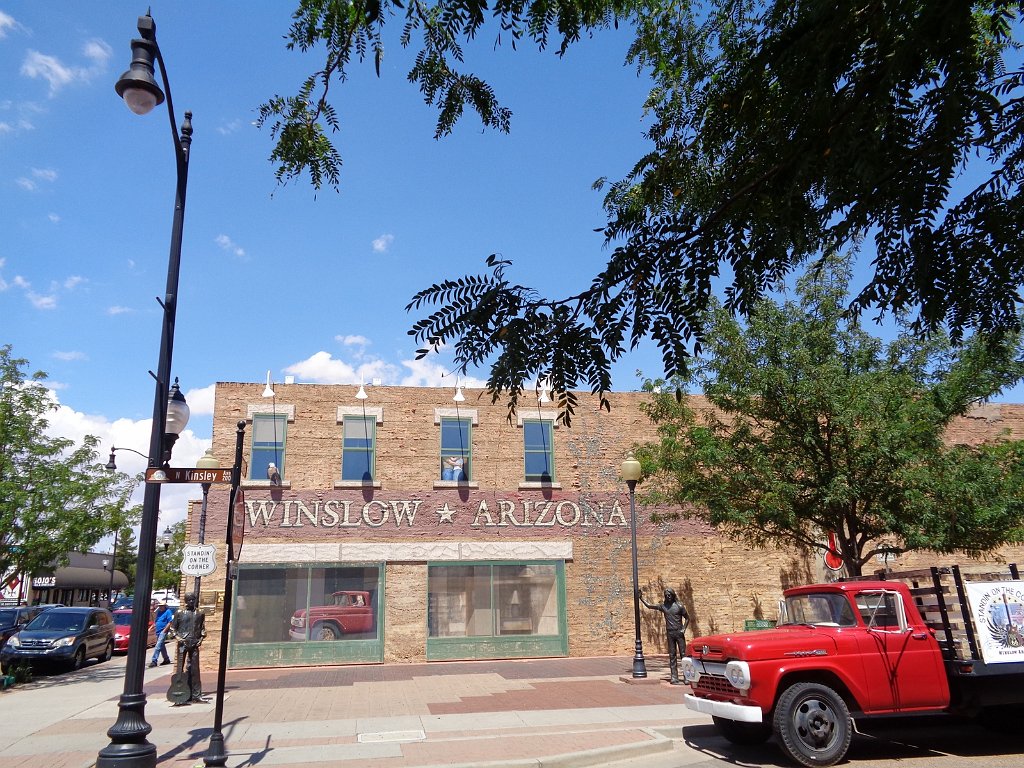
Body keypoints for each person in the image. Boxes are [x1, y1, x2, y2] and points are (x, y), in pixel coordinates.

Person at [641, 588, 690, 684]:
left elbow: (687, 618)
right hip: (670, 633)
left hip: (679, 633)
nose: (668, 596)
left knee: (683, 654)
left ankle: (686, 677)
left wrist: (683, 629)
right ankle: (674, 677)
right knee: (672, 655)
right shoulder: (664, 607)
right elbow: (650, 606)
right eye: (666, 595)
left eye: (669, 595)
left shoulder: (679, 606)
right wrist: (641, 598)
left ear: (673, 595)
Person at [167, 593, 206, 702]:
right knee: (180, 669)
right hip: (182, 643)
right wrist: (178, 638)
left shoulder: (200, 613)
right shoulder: (179, 613)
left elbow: (202, 628)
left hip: (194, 642)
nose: (191, 602)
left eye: (193, 600)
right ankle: (180, 694)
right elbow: (173, 628)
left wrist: (201, 639)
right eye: (189, 600)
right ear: (186, 601)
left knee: (195, 670)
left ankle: (196, 695)